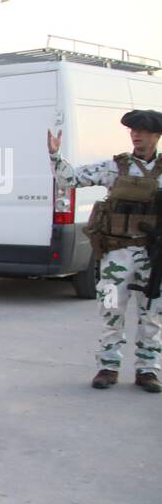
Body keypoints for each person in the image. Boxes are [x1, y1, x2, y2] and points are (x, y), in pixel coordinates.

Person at [49, 108, 162, 392]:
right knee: (112, 310)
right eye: (133, 130)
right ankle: (108, 367)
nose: (136, 135)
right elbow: (70, 179)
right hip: (117, 253)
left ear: (157, 135)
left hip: (153, 254)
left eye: (143, 131)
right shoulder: (116, 167)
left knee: (152, 314)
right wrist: (55, 155)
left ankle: (147, 370)